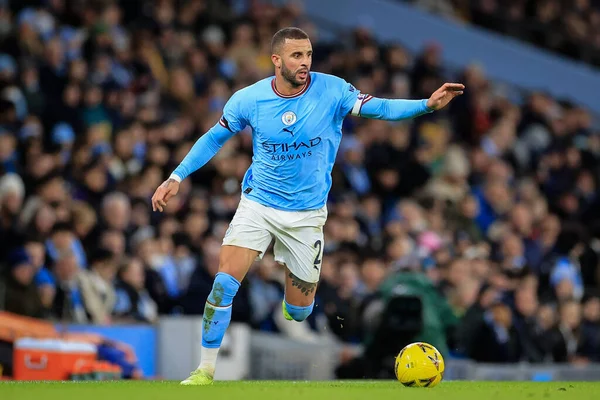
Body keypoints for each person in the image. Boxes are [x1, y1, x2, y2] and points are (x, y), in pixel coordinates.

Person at [151, 27, 464, 385]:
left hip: (306, 216)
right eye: (297, 56)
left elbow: (379, 108)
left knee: (299, 312)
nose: (305, 63)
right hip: (258, 204)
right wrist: (176, 176)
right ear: (276, 60)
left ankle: (293, 301)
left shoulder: (332, 90)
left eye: (309, 54)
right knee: (223, 284)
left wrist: (426, 105)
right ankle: (204, 371)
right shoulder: (249, 100)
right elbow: (213, 138)